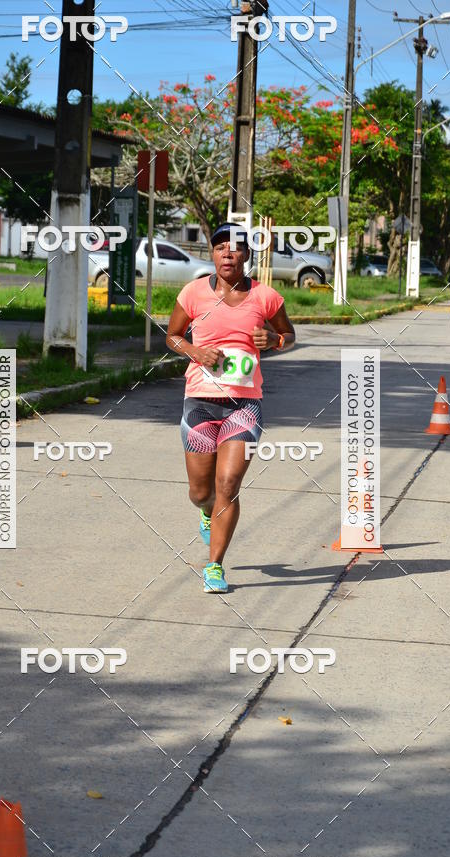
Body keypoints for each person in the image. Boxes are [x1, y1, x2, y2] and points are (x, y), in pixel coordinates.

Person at [166, 222, 295, 593]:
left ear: (246, 255)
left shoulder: (266, 297)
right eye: (220, 246)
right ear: (212, 253)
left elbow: (288, 335)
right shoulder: (193, 293)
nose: (227, 253)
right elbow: (172, 335)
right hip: (201, 404)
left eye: (235, 247)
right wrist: (194, 350)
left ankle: (214, 566)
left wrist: (274, 339)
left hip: (244, 406)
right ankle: (207, 512)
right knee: (200, 492)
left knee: (228, 484)